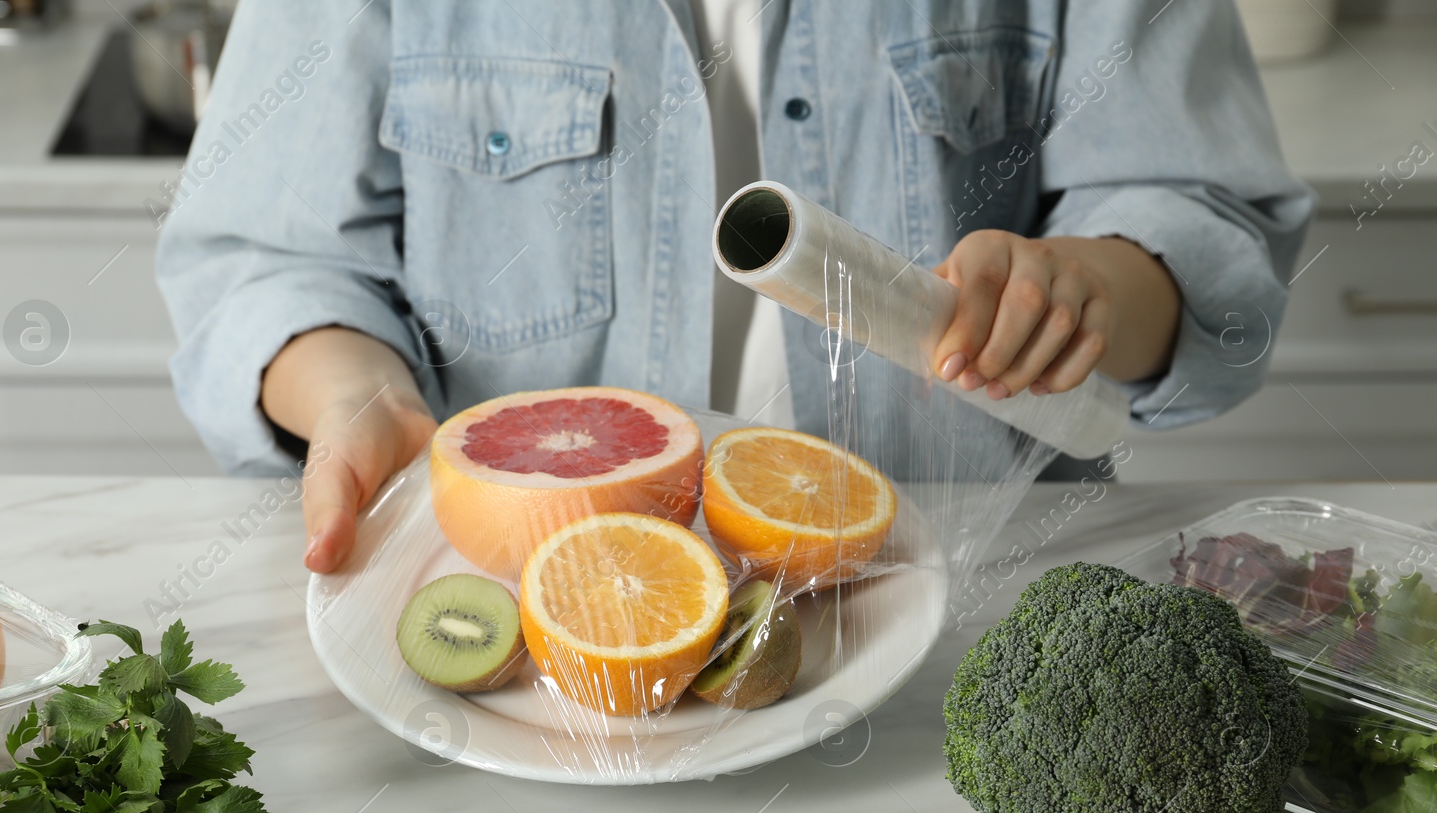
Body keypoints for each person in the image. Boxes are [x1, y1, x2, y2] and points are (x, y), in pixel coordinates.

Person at [157, 0, 1312, 574]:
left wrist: (1092, 285)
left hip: (970, 608)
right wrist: (350, 390)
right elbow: (259, 254)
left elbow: (1204, 215)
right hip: (527, 625)